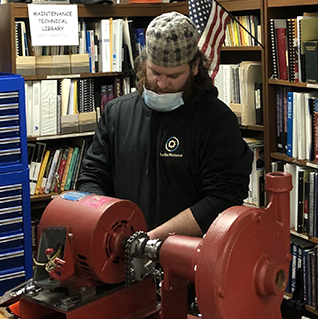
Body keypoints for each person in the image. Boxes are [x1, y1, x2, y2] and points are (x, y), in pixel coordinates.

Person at [77, 12, 252, 241]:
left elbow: (222, 198)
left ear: (195, 66)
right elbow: (92, 177)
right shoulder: (117, 112)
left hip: (187, 258)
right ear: (144, 62)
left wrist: (148, 241)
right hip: (119, 247)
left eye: (173, 76)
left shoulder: (216, 121)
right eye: (154, 72)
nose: (161, 83)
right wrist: (110, 224)